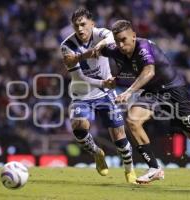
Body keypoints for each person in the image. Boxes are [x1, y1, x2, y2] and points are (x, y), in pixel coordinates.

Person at [93, 19, 190, 187]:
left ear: (134, 36)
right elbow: (99, 50)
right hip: (154, 92)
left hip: (174, 91)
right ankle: (154, 168)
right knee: (132, 120)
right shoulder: (117, 50)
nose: (121, 45)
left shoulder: (143, 47)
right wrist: (78, 57)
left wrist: (128, 91)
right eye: (117, 41)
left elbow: (149, 72)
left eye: (124, 40)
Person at [60, 8, 136, 183]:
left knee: (118, 134)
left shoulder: (100, 34)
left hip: (105, 93)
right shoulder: (66, 46)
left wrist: (100, 46)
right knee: (79, 126)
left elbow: (111, 36)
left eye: (83, 24)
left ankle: (129, 170)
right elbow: (79, 77)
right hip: (82, 94)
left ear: (92, 24)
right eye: (76, 26)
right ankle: (97, 153)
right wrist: (103, 82)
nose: (80, 29)